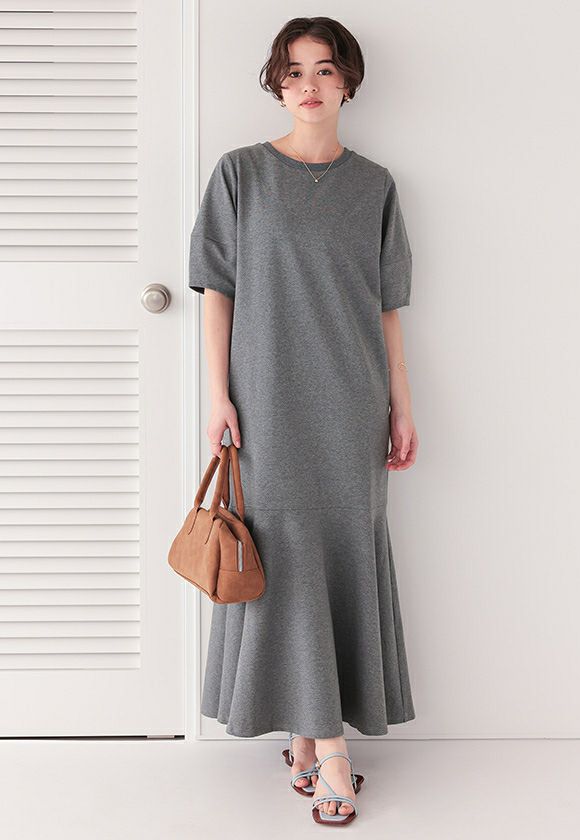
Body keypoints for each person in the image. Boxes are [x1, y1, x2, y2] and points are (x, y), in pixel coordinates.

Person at [188, 16, 418, 826]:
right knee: (282, 554)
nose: (309, 85)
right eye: (293, 72)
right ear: (276, 84)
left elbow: (387, 309)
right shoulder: (240, 173)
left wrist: (401, 404)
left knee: (344, 550)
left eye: (324, 69)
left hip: (352, 399)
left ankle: (307, 738)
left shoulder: (376, 185)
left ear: (348, 81)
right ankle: (331, 748)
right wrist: (217, 395)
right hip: (267, 399)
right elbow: (217, 292)